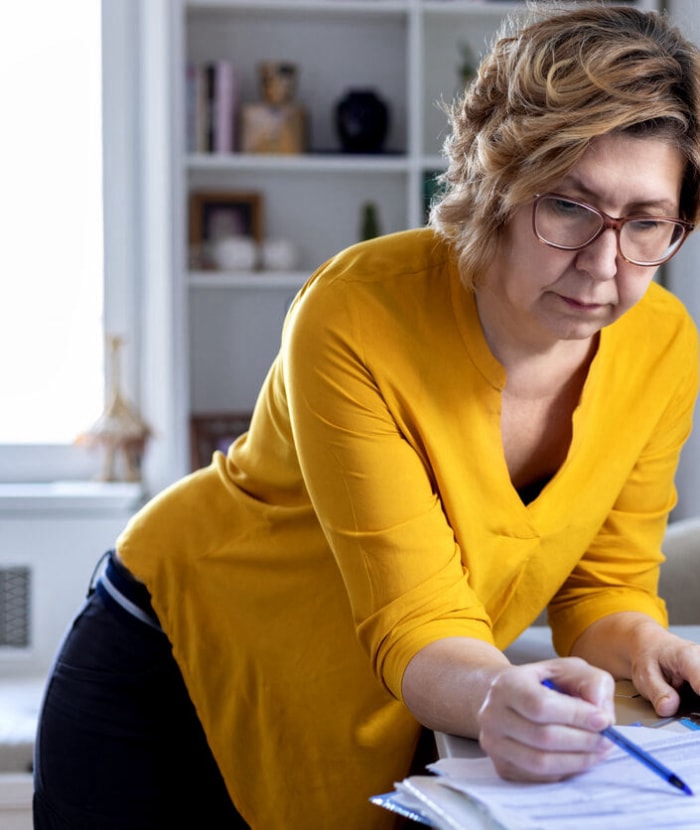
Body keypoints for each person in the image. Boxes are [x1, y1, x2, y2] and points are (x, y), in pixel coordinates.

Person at [34, 4, 700, 829]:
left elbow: (604, 584)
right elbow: (418, 617)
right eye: (567, 206)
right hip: (174, 661)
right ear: (498, 180)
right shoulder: (357, 314)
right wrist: (496, 692)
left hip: (387, 690)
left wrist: (648, 650)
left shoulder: (664, 345)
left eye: (645, 223)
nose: (605, 265)